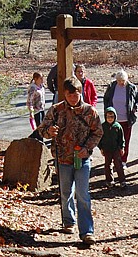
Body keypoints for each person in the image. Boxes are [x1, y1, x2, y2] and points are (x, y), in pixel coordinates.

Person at [39, 77, 103, 244]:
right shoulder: (56, 110)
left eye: (76, 95)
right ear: (64, 94)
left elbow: (98, 133)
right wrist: (49, 132)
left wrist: (87, 148)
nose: (73, 98)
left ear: (80, 93)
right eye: (70, 95)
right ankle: (69, 221)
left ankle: (87, 232)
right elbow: (42, 130)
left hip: (82, 159)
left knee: (82, 194)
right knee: (65, 192)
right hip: (62, 158)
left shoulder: (90, 112)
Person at [103, 69, 138, 164]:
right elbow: (106, 99)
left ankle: (123, 161)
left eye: (123, 81)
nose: (121, 83)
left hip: (126, 119)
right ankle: (113, 160)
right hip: (113, 120)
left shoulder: (132, 87)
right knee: (112, 141)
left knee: (125, 141)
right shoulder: (112, 87)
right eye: (119, 81)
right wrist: (107, 111)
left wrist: (135, 107)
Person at [99, 107, 126, 188]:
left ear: (115, 117)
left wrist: (122, 147)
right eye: (108, 117)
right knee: (107, 165)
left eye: (112, 117)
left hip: (116, 149)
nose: (110, 119)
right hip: (107, 149)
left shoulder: (117, 126)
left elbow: (122, 138)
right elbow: (99, 138)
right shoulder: (103, 126)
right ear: (105, 117)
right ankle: (109, 180)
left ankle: (122, 181)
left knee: (118, 164)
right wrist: (101, 148)